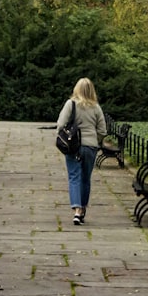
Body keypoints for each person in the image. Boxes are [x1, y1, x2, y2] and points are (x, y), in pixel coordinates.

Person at [57, 77, 107, 225]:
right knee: (86, 179)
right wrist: (95, 140)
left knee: (74, 177)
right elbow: (102, 130)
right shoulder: (96, 107)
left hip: (74, 146)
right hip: (90, 147)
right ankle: (83, 208)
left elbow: (60, 124)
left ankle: (77, 210)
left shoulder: (70, 104)